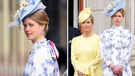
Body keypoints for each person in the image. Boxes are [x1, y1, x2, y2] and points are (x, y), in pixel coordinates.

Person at [6, 0, 60, 76]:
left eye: (31, 25)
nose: (27, 29)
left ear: (42, 25)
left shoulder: (40, 52)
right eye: (25, 25)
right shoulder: (44, 47)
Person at [100, 0, 132, 76]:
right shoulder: (104, 33)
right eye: (115, 16)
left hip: (124, 69)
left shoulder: (128, 33)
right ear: (112, 17)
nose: (117, 18)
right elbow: (102, 51)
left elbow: (128, 51)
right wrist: (113, 66)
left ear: (123, 17)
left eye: (119, 16)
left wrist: (120, 67)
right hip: (109, 69)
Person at [71, 8, 102, 76]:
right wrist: (79, 70)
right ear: (81, 25)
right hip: (78, 73)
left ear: (92, 24)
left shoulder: (98, 39)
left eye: (88, 22)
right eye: (83, 22)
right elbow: (73, 58)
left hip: (93, 73)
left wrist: (84, 70)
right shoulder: (75, 40)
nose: (86, 25)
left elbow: (99, 58)